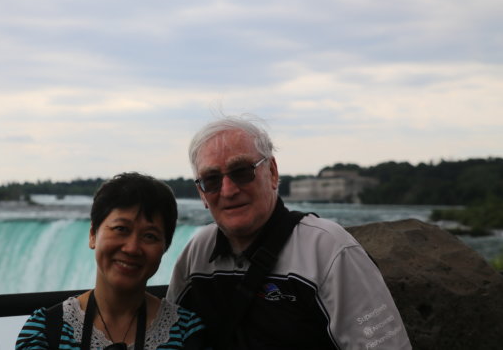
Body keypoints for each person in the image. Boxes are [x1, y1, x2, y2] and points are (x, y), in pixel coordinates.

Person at [166, 115, 412, 349]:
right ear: (202, 194)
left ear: (272, 172)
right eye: (211, 180)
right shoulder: (196, 254)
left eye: (241, 172)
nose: (228, 190)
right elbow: (169, 338)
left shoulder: (328, 251)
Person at [17, 172, 210, 350]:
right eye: (121, 229)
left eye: (150, 236)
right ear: (93, 234)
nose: (132, 248)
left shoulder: (186, 332)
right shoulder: (45, 330)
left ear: (165, 247)